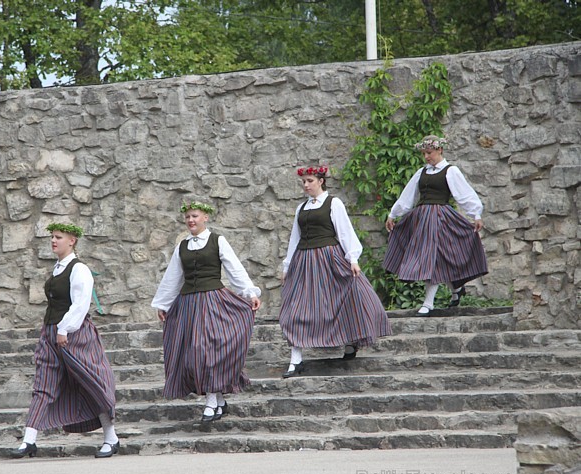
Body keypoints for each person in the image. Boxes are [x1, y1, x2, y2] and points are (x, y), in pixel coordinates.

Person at [11, 222, 120, 459]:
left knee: (90, 383)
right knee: (43, 384)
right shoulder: (58, 268)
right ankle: (29, 439)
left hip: (74, 335)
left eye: (58, 237)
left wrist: (64, 328)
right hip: (51, 333)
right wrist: (53, 330)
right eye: (52, 237)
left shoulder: (79, 269)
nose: (53, 241)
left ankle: (111, 437)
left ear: (72, 241)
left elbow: (80, 303)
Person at [151, 201, 261, 422]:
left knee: (206, 350)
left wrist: (249, 293)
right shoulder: (182, 246)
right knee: (194, 354)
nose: (191, 220)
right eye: (188, 217)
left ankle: (211, 403)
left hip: (213, 302)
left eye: (195, 216)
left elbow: (234, 267)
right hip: (188, 306)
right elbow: (173, 276)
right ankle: (219, 401)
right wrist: (163, 303)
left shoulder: (217, 240)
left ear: (205, 218)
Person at [279, 165, 391, 378]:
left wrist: (353, 258)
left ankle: (350, 343)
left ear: (321, 181)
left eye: (310, 181)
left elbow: (345, 230)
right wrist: (287, 265)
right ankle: (296, 359)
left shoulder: (334, 203)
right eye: (304, 182)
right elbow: (295, 237)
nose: (306, 185)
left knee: (342, 301)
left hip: (329, 259)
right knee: (295, 308)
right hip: (304, 262)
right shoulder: (301, 208)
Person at [383, 135, 488, 316]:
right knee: (436, 258)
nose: (426, 157)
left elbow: (464, 194)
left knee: (434, 258)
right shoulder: (421, 172)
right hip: (422, 220)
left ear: (440, 150)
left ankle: (428, 303)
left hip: (441, 219)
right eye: (424, 153)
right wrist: (394, 214)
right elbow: (408, 196)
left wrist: (476, 214)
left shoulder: (450, 171)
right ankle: (456, 289)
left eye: (429, 152)